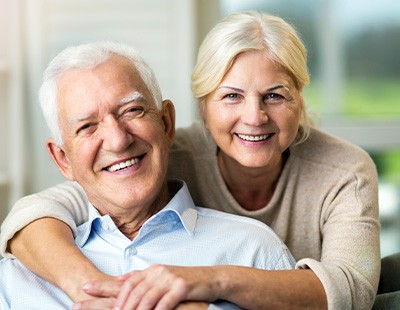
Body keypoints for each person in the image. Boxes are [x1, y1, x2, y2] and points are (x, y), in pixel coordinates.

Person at [0, 11, 380, 310]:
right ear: (202, 105)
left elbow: (352, 291)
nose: (255, 117)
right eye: (231, 96)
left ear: (300, 98)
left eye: (276, 96)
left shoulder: (342, 173)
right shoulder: (156, 152)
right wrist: (95, 291)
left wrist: (210, 282)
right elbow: (42, 209)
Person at [0, 41, 296, 309]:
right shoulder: (18, 278)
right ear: (63, 159)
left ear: (166, 124)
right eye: (87, 127)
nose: (118, 140)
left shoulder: (254, 251)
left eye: (132, 111)